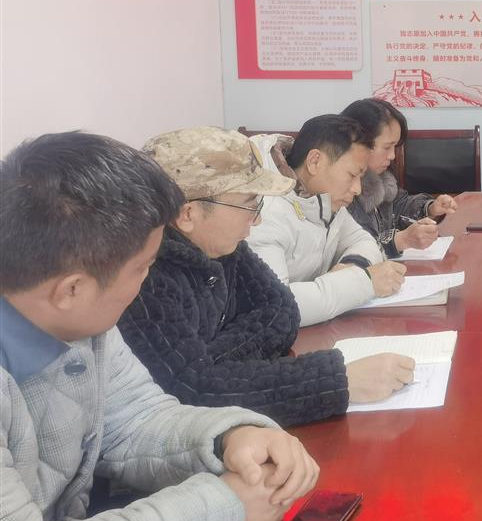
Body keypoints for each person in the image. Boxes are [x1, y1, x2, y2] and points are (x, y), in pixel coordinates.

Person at [0, 132, 319, 521]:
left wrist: (230, 436)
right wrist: (223, 507)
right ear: (71, 289)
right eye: (143, 268)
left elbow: (135, 418)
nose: (146, 281)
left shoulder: (84, 323)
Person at [118, 127, 416, 429]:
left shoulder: (226, 247)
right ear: (188, 214)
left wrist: (213, 364)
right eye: (249, 203)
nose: (257, 218)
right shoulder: (143, 278)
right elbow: (190, 393)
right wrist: (336, 380)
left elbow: (282, 312)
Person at [245, 115, 407, 326]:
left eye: (360, 177)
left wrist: (351, 267)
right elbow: (276, 306)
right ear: (314, 162)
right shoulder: (262, 213)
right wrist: (363, 283)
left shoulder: (325, 199)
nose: (357, 189)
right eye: (352, 175)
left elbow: (363, 240)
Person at [341, 98, 459, 258]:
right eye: (387, 147)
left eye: (394, 147)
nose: (392, 156)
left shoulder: (381, 179)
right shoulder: (340, 192)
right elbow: (352, 249)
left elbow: (400, 205)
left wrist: (430, 208)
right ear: (357, 143)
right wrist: (400, 240)